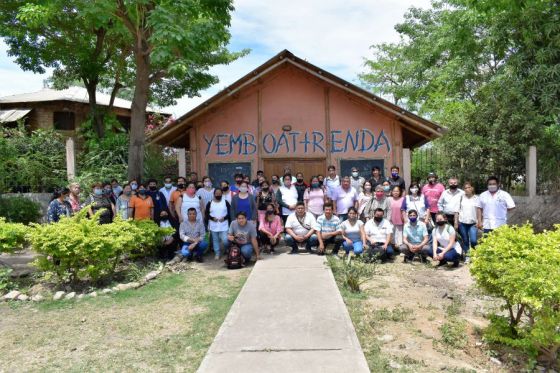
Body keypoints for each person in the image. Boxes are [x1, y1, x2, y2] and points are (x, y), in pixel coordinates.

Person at [205, 188, 233, 260]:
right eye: (216, 193)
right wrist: (212, 218)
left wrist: (225, 218)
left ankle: (227, 249)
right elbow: (206, 214)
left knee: (225, 240)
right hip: (213, 224)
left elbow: (230, 212)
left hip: (224, 224)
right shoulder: (210, 202)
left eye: (220, 193)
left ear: (222, 194)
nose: (218, 194)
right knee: (215, 239)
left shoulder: (225, 202)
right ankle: (217, 253)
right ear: (214, 194)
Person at [455, 182, 479, 263]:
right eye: (465, 188)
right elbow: (456, 211)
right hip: (462, 223)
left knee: (473, 240)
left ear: (472, 188)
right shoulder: (461, 198)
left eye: (469, 187)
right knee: (465, 240)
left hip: (473, 223)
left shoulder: (477, 198)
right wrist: (456, 222)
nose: (467, 189)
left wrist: (479, 221)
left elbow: (480, 211)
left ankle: (474, 254)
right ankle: (468, 256)